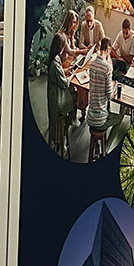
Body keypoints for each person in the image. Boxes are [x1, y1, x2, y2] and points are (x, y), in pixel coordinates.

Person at [46, 9, 77, 156]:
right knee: (73, 100)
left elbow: (59, 73)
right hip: (56, 98)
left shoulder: (55, 59)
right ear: (60, 47)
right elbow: (64, 83)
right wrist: (72, 75)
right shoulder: (55, 62)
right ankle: (64, 132)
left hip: (55, 92)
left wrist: (67, 70)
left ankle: (64, 131)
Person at [86, 38, 113, 161]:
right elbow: (109, 95)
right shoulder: (107, 67)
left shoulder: (92, 64)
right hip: (100, 118)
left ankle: (96, 147)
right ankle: (105, 149)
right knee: (119, 119)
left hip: (90, 116)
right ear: (108, 49)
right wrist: (113, 86)